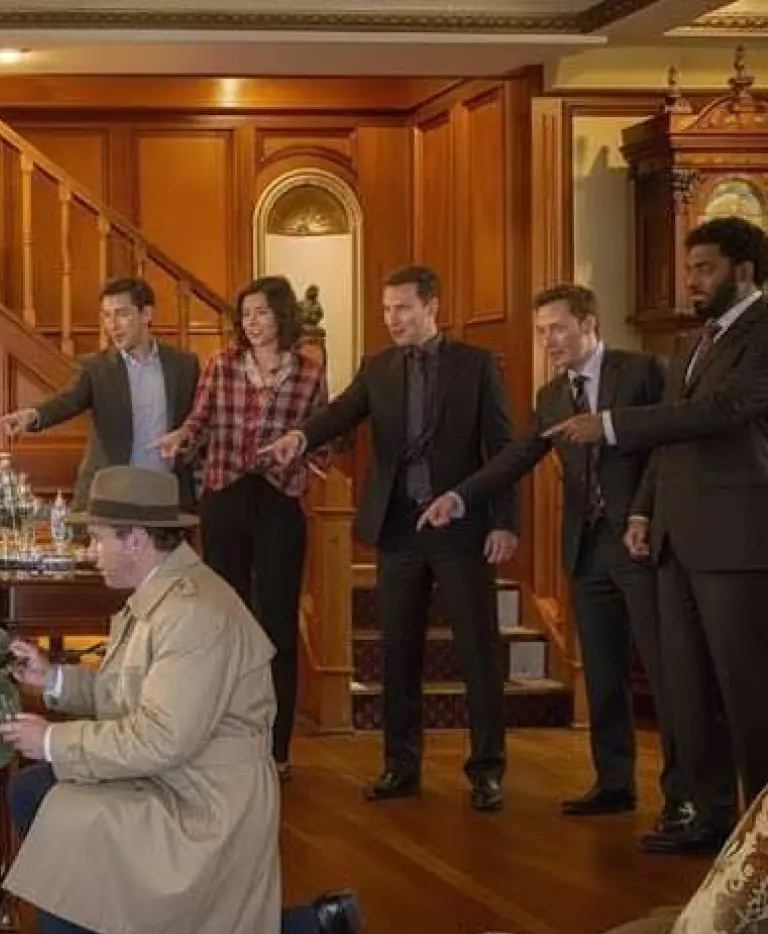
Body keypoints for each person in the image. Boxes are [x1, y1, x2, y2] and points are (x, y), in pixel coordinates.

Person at [0, 465, 370, 934]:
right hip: (178, 776)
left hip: (203, 799)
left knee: (54, 799)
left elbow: (160, 737)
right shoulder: (163, 594)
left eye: (98, 538)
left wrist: (52, 740)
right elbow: (130, 696)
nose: (90, 550)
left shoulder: (192, 612)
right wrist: (51, 679)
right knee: (40, 793)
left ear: (137, 540)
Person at [420, 284, 688, 831]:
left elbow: (671, 450)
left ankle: (684, 799)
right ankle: (614, 784)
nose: (548, 341)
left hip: (642, 541)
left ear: (589, 323)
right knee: (605, 674)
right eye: (541, 332)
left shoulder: (642, 372)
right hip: (586, 550)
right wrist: (460, 495)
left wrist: (642, 513)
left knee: (668, 674)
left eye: (557, 329)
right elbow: (518, 455)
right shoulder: (550, 396)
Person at [546, 216, 768, 854]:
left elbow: (720, 413)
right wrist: (642, 511)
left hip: (737, 544)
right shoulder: (691, 343)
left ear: (744, 272)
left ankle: (758, 840)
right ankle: (711, 818)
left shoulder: (761, 332)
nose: (692, 280)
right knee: (690, 687)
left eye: (705, 268)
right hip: (675, 538)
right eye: (690, 267)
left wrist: (611, 425)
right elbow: (669, 445)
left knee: (746, 691)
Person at [261, 264, 517, 812]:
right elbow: (339, 413)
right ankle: (401, 766)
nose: (393, 319)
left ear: (432, 307)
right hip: (398, 528)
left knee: (477, 652)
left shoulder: (477, 367)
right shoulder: (377, 368)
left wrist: (503, 521)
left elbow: (502, 450)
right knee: (399, 653)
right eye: (386, 310)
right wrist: (299, 437)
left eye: (402, 308)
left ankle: (487, 770)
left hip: (462, 529)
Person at [155, 275, 329, 779]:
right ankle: (219, 738)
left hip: (279, 500)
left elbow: (323, 438)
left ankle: (276, 749)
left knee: (277, 624)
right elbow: (199, 422)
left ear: (283, 316)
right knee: (222, 620)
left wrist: (299, 450)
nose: (252, 323)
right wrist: (180, 439)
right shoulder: (222, 365)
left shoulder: (310, 374)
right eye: (246, 314)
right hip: (225, 495)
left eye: (262, 313)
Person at [0, 277, 201, 511]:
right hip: (112, 493)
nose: (112, 325)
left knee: (175, 550)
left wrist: (187, 442)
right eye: (106, 315)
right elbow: (67, 400)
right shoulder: (96, 367)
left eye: (122, 314)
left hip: (165, 494)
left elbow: (198, 420)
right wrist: (33, 415)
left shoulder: (184, 365)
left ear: (147, 314)